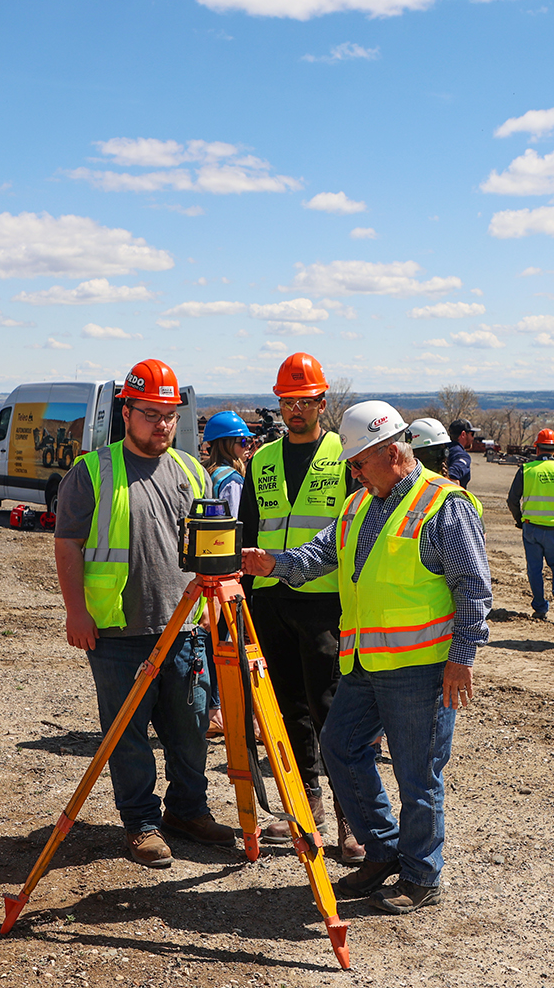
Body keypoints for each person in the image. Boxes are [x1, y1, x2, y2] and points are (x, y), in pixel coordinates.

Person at [242, 400, 492, 915]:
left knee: (418, 771)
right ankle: (382, 850)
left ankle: (422, 875)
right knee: (341, 747)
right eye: (352, 465)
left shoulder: (444, 505)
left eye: (358, 463)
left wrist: (462, 658)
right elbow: (321, 553)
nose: (352, 472)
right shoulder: (359, 504)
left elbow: (473, 587)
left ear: (394, 452)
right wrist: (275, 563)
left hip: (421, 669)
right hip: (363, 664)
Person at [53, 358, 238, 868]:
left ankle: (188, 811)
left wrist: (213, 601)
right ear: (126, 411)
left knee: (191, 727)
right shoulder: (92, 472)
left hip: (185, 626)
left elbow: (209, 545)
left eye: (171, 415)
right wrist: (77, 611)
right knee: (128, 734)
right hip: (117, 631)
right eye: (152, 414)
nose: (163, 425)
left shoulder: (188, 469)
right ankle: (141, 824)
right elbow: (67, 545)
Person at [237, 353, 364, 863]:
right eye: (287, 401)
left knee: (330, 707)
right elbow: (246, 529)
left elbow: (356, 528)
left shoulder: (344, 456)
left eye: (304, 401)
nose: (295, 410)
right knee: (286, 708)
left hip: (324, 603)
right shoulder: (263, 460)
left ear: (321, 403)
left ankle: (350, 815)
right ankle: (304, 805)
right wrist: (243, 598)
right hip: (270, 602)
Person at [200, 410, 256, 740]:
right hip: (227, 573)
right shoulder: (232, 482)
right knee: (230, 641)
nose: (248, 448)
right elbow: (237, 527)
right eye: (244, 442)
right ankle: (221, 711)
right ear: (229, 444)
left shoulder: (207, 474)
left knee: (209, 640)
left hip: (205, 569)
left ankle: (210, 708)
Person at [507, 428, 554, 621]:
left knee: (534, 568)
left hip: (531, 527)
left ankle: (540, 608)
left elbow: (512, 500)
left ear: (536, 448)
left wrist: (520, 521)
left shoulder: (526, 470)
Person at [445, 419, 477, 489]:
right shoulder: (461, 455)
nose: (473, 438)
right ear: (463, 434)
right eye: (472, 434)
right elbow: (453, 474)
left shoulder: (442, 449)